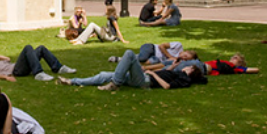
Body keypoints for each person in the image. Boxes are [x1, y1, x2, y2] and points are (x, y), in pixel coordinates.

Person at [58, 49, 204, 91]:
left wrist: (152, 73)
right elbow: (168, 71)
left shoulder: (184, 79)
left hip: (146, 81)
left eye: (189, 66)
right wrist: (174, 63)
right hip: (144, 76)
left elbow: (167, 86)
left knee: (128, 53)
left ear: (191, 70)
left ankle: (115, 83)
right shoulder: (177, 71)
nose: (186, 65)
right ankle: (72, 81)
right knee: (104, 75)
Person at [0, 46, 76, 82]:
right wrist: (6, 77)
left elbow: (7, 59)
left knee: (41, 48)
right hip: (16, 71)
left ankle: (58, 68)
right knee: (28, 48)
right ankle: (38, 73)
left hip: (17, 66)